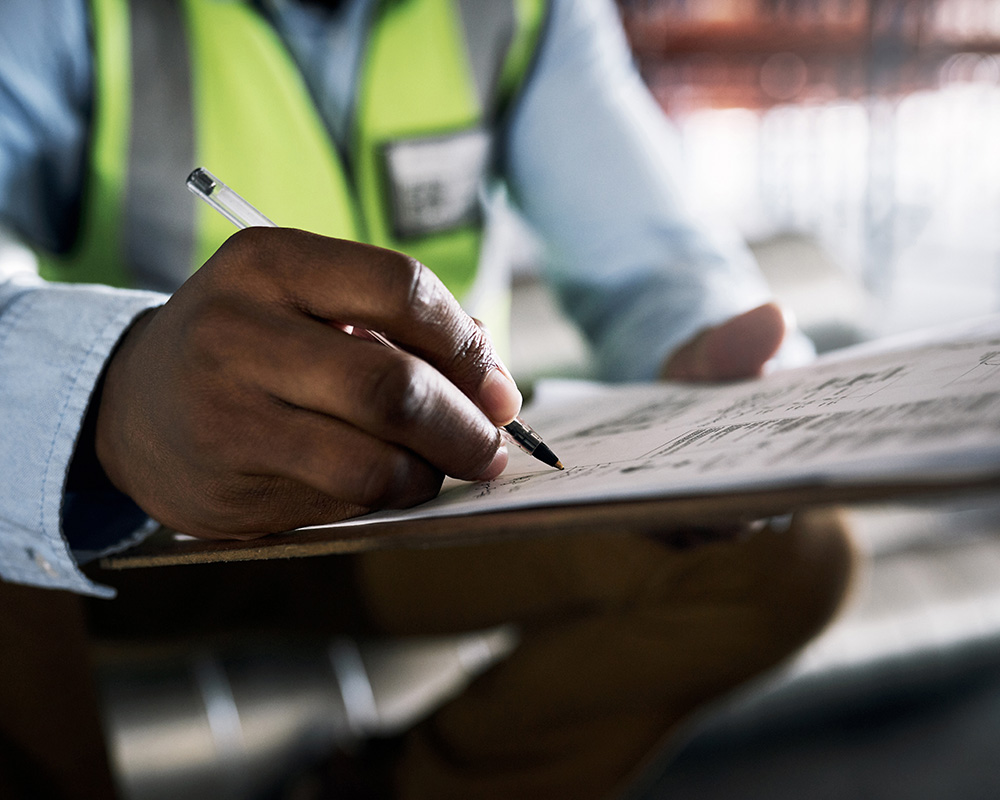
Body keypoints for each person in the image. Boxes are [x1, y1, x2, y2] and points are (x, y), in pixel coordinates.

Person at [0, 0, 855, 798]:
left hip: (421, 500)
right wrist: (112, 386)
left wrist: (703, 344)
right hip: (133, 531)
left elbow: (650, 263)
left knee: (781, 548)